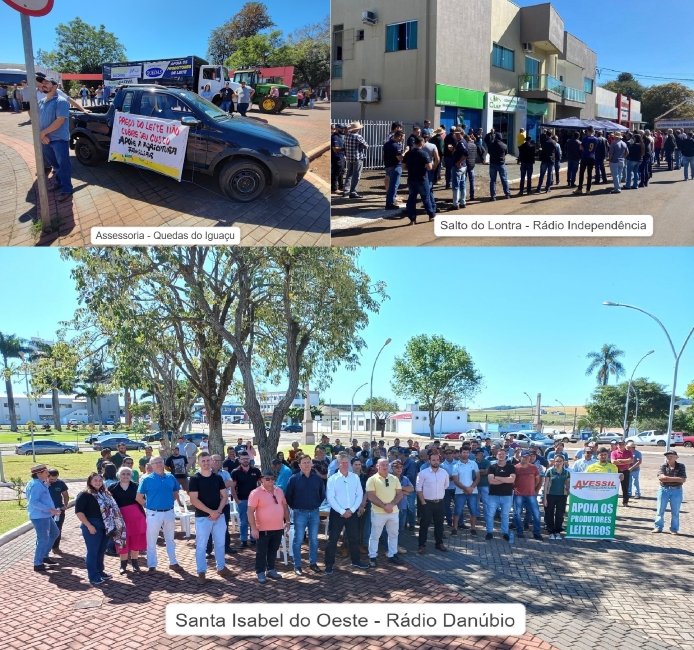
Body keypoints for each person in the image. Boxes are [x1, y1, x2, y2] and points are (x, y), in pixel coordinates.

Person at [188, 452, 233, 584]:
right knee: (201, 546)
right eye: (203, 461)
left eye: (208, 460)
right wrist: (211, 512)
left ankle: (221, 567)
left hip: (219, 516)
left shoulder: (217, 478)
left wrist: (218, 511)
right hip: (202, 518)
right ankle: (201, 572)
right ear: (198, 462)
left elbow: (224, 496)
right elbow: (194, 500)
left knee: (220, 544)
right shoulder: (195, 479)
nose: (206, 463)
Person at [75, 472, 126, 585]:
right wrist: (89, 526)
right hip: (92, 524)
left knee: (101, 550)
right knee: (92, 552)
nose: (98, 482)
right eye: (95, 480)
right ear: (90, 482)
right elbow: (79, 512)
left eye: (99, 480)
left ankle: (100, 571)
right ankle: (93, 576)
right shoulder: (84, 494)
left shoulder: (105, 493)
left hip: (106, 525)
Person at [136, 457, 184, 573]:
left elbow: (175, 492)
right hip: (154, 513)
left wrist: (173, 501)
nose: (158, 464)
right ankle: (152, 564)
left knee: (170, 539)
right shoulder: (146, 479)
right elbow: (138, 498)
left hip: (169, 512)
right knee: (151, 539)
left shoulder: (170, 477)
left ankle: (173, 562)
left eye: (160, 462)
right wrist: (150, 506)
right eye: (155, 462)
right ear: (151, 465)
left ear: (163, 463)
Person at [324, 452, 369, 574]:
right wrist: (342, 511)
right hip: (337, 513)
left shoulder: (355, 478)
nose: (344, 465)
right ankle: (329, 564)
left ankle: (356, 560)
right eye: (342, 463)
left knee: (353, 538)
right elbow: (330, 498)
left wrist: (352, 510)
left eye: (346, 462)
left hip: (352, 513)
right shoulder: (332, 479)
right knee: (332, 539)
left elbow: (359, 494)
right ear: (338, 464)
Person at [285, 454, 325, 575]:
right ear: (299, 464)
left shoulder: (317, 479)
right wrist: (296, 507)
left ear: (311, 464)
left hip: (314, 513)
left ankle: (313, 563)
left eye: (308, 462)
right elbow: (288, 497)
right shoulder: (294, 479)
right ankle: (297, 565)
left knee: (314, 539)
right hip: (299, 513)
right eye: (304, 462)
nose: (307, 464)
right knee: (298, 539)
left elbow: (322, 494)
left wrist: (316, 504)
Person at [248, 469, 290, 583]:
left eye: (272, 478)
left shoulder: (279, 491)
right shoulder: (255, 493)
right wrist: (254, 528)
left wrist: (287, 521)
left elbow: (285, 506)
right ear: (262, 479)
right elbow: (250, 512)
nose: (270, 481)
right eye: (267, 479)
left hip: (278, 527)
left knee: (273, 550)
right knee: (261, 551)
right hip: (262, 529)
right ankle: (260, 572)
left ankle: (271, 569)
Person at [38, 77, 73, 202]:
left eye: (46, 83)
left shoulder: (61, 101)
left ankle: (67, 189)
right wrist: (42, 135)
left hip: (58, 140)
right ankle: (59, 183)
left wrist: (43, 133)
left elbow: (60, 121)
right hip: (45, 139)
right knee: (55, 165)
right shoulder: (41, 102)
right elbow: (38, 120)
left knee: (63, 165)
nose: (43, 85)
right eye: (43, 83)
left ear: (55, 86)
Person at [365, 458, 404, 566]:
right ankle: (372, 557)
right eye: (382, 465)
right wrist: (384, 506)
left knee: (393, 534)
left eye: (387, 464)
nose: (385, 467)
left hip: (393, 511)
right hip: (378, 512)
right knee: (375, 535)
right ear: (377, 466)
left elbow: (400, 494)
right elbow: (371, 496)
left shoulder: (394, 479)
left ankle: (392, 555)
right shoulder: (372, 479)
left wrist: (391, 505)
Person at [110, 466, 146, 575]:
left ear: (131, 475)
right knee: (122, 541)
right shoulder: (113, 487)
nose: (126, 476)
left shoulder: (136, 486)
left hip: (137, 517)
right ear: (119, 475)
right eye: (123, 474)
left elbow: (143, 500)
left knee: (136, 540)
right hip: (120, 518)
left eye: (128, 474)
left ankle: (135, 563)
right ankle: (123, 564)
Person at [26, 464, 61, 572]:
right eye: (46, 472)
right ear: (38, 473)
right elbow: (34, 501)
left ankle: (44, 556)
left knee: (55, 533)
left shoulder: (39, 483)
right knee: (43, 539)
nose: (48, 474)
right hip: (40, 516)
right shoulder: (36, 485)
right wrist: (50, 509)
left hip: (44, 515)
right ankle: (38, 563)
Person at [416, 450, 449, 553]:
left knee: (439, 524)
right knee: (424, 525)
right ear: (429, 461)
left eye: (437, 460)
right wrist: (423, 502)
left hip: (440, 502)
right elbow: (418, 488)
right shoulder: (423, 473)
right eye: (433, 460)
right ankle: (422, 545)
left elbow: (446, 485)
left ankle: (439, 543)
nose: (435, 462)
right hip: (427, 503)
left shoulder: (444, 473)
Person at [230, 451, 262, 548]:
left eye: (247, 458)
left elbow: (261, 485)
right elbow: (232, 487)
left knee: (255, 520)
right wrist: (237, 500)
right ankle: (243, 540)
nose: (245, 460)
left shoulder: (256, 471)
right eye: (243, 458)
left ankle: (254, 538)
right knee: (243, 521)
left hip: (255, 501)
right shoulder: (235, 472)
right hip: (242, 500)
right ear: (239, 460)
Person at [402, 135, 435, 224]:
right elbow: (429, 167)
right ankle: (431, 215)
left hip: (411, 179)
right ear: (421, 143)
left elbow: (404, 167)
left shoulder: (408, 153)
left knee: (412, 199)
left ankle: (412, 219)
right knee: (426, 198)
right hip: (422, 179)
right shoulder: (424, 153)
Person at [209, 454, 237, 555]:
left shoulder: (225, 473)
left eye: (218, 460)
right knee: (209, 527)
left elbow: (231, 484)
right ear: (210, 461)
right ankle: (208, 550)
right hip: (210, 505)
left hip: (224, 504)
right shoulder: (206, 473)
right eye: (214, 460)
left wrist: (214, 485)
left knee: (224, 526)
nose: (217, 462)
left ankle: (226, 546)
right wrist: (222, 484)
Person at [653, 450, 687, 535]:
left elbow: (682, 479)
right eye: (667, 456)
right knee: (660, 510)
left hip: (677, 490)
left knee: (675, 511)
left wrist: (667, 478)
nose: (669, 458)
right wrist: (676, 478)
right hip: (664, 489)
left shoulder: (681, 466)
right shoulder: (663, 466)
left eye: (671, 456)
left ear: (676, 457)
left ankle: (674, 529)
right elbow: (661, 478)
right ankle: (658, 527)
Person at [486, 449, 516, 541]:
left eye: (503, 454)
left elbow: (512, 480)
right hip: (493, 495)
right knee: (490, 514)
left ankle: (505, 533)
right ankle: (489, 532)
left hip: (506, 495)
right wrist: (505, 480)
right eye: (499, 454)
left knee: (505, 515)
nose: (501, 456)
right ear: (496, 456)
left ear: (506, 455)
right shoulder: (492, 467)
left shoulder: (511, 467)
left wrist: (498, 477)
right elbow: (491, 481)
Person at [512, 452, 542, 540]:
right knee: (517, 513)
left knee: (536, 514)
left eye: (528, 457)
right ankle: (519, 530)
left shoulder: (534, 467)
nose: (526, 459)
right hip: (518, 494)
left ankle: (536, 532)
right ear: (520, 457)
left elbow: (537, 480)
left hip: (531, 494)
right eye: (524, 457)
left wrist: (533, 489)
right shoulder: (515, 468)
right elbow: (512, 481)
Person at [451, 446, 479, 535]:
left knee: (473, 511)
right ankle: (454, 528)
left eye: (467, 452)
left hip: (473, 492)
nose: (465, 454)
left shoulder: (473, 463)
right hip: (460, 492)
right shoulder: (456, 465)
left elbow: (478, 478)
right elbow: (455, 480)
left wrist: (471, 488)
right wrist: (466, 488)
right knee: (457, 511)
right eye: (464, 452)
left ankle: (473, 529)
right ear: (460, 453)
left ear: (469, 453)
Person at [543, 455, 570, 539]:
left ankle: (557, 531)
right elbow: (546, 485)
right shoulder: (550, 471)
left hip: (562, 496)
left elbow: (568, 484)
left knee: (559, 514)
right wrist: (544, 498)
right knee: (549, 513)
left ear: (563, 462)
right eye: (557, 461)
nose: (558, 463)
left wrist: (568, 487)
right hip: (550, 495)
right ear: (554, 462)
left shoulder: (566, 473)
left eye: (560, 461)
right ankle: (551, 531)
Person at [343, 121, 369, 199]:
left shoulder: (347, 135)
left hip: (349, 157)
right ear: (357, 129)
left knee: (349, 174)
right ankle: (353, 192)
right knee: (356, 175)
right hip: (357, 158)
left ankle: (346, 191)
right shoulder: (358, 136)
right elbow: (366, 146)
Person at [46, 468, 69, 553]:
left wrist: (65, 505)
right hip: (47, 511)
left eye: (55, 479)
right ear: (47, 476)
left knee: (58, 529)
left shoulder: (60, 483)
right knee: (46, 530)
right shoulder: (43, 484)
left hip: (58, 510)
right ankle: (45, 549)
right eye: (51, 479)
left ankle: (55, 547)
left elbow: (65, 495)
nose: (53, 481)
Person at [383, 130, 405, 210]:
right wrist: (405, 152)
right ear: (399, 136)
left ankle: (390, 201)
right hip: (395, 166)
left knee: (391, 185)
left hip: (388, 166)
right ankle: (390, 203)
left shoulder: (386, 144)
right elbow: (399, 157)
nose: (403, 139)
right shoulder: (396, 146)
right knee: (394, 186)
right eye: (402, 138)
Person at [573, 126, 598, 195]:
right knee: (589, 174)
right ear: (593, 131)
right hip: (592, 156)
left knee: (581, 173)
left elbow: (581, 147)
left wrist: (585, 149)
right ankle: (588, 190)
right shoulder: (596, 139)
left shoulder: (585, 138)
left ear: (588, 131)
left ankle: (580, 188)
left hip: (585, 156)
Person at [449, 128, 468, 210]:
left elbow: (466, 153)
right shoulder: (461, 142)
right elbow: (461, 152)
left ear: (462, 133)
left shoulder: (461, 142)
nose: (456, 135)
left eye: (458, 133)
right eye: (455, 134)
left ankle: (455, 204)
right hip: (462, 166)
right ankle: (462, 202)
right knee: (462, 185)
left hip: (459, 167)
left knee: (456, 186)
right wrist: (453, 149)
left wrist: (459, 162)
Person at [488, 133, 510, 201]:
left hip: (493, 163)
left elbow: (489, 152)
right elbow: (506, 153)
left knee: (493, 181)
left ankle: (493, 196)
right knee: (504, 179)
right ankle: (507, 194)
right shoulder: (504, 145)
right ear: (501, 138)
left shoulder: (491, 145)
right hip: (501, 164)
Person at [611, 440, 633, 506]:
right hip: (616, 471)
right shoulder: (614, 452)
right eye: (619, 444)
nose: (621, 445)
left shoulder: (629, 452)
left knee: (625, 487)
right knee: (614, 487)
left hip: (625, 471)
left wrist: (620, 460)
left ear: (625, 445)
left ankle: (625, 502)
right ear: (617, 445)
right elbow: (613, 462)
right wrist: (626, 461)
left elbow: (631, 461)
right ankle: (613, 501)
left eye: (622, 444)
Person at [440, 447, 458, 527]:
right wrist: (453, 477)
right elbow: (443, 477)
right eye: (446, 453)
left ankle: (460, 523)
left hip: (457, 487)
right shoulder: (441, 465)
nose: (448, 455)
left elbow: (459, 476)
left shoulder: (458, 463)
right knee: (446, 506)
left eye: (450, 453)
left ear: (453, 454)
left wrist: (451, 477)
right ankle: (449, 522)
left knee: (458, 505)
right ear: (444, 454)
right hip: (446, 488)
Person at [331, 123, 346, 195]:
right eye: (341, 128)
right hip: (336, 158)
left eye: (343, 128)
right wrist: (345, 149)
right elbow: (335, 149)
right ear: (337, 129)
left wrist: (344, 156)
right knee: (336, 173)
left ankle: (341, 186)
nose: (343, 130)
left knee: (341, 172)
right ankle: (334, 189)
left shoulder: (340, 136)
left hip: (341, 157)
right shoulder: (334, 137)